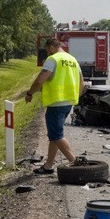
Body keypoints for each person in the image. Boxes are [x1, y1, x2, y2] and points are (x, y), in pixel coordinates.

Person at [25, 38, 85, 174]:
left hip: (56, 103)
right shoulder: (73, 60)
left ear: (51, 47)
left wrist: (30, 93)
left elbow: (40, 80)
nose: (47, 53)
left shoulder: (53, 60)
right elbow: (82, 83)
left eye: (47, 51)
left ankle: (74, 162)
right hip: (68, 102)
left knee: (57, 135)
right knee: (54, 135)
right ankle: (48, 165)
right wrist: (76, 97)